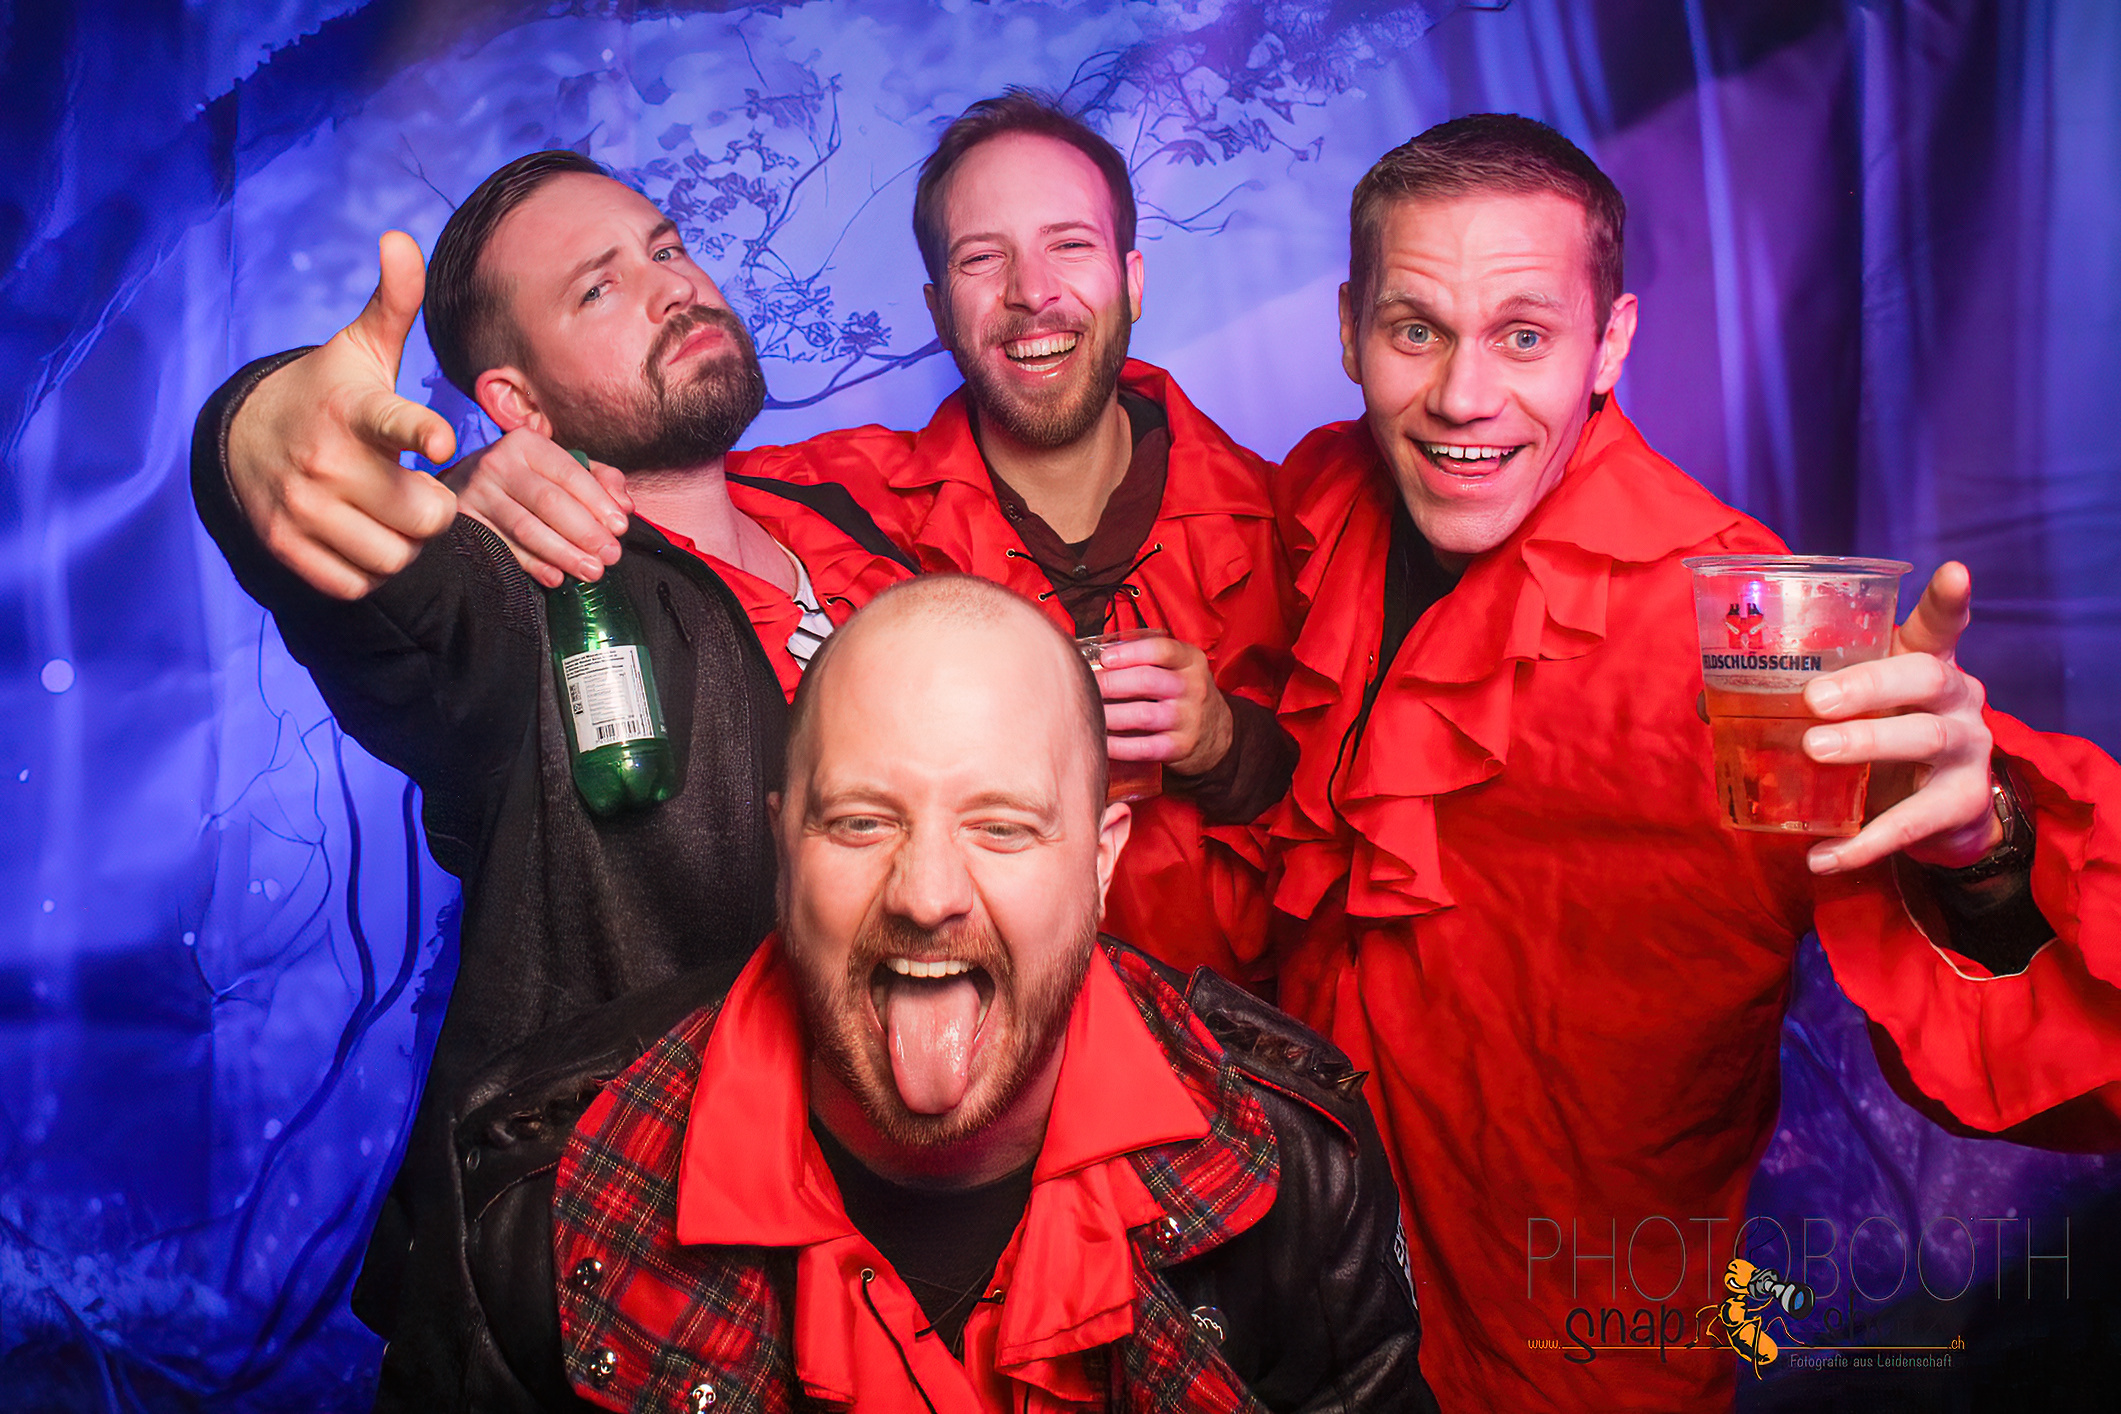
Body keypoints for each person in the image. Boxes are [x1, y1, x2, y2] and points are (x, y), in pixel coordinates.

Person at [1268, 112, 2121, 1412]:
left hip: (1573, 1349)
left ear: (1609, 344)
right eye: (1415, 329)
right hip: (1310, 1306)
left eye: (1523, 335)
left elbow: (2028, 1011)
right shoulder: (1320, 504)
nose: (1462, 396)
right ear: (1349, 330)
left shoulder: (1743, 620)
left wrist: (1985, 846)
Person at [379, 575, 1436, 1413]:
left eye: (1002, 826)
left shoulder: (1299, 1161)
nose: (928, 896)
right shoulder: (527, 1201)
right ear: (784, 849)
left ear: (1102, 859)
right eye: (860, 822)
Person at [190, 151, 914, 1332]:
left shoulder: (860, 528)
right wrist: (252, 433)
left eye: (666, 247)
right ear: (518, 406)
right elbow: (385, 583)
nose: (673, 284)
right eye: (598, 287)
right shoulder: (516, 596)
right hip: (644, 1293)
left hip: (917, 1242)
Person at [455, 92, 1303, 985]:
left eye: (1070, 245)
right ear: (938, 308)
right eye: (982, 257)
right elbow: (649, 474)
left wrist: (1222, 743)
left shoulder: (1282, 511)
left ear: (1130, 279)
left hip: (1222, 1028)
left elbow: (1349, 820)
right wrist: (471, 487)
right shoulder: (836, 500)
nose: (1032, 291)